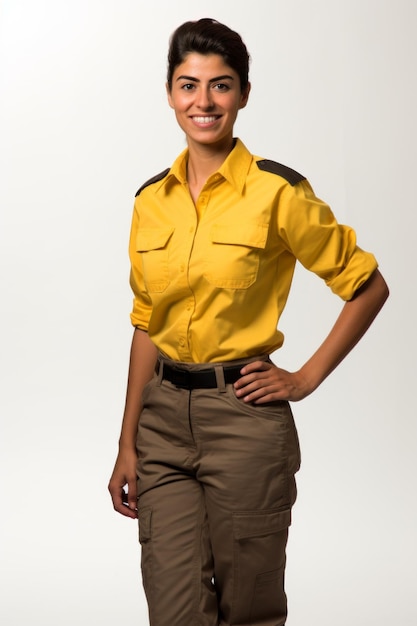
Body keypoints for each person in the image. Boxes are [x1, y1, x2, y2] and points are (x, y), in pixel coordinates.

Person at [108, 17, 389, 626]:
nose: (203, 101)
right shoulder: (149, 201)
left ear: (242, 94)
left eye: (220, 85)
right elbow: (145, 327)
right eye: (188, 85)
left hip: (243, 422)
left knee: (249, 611)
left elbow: (367, 286)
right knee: (174, 612)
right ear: (169, 93)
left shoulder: (277, 192)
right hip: (161, 428)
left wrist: (305, 378)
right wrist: (127, 441)